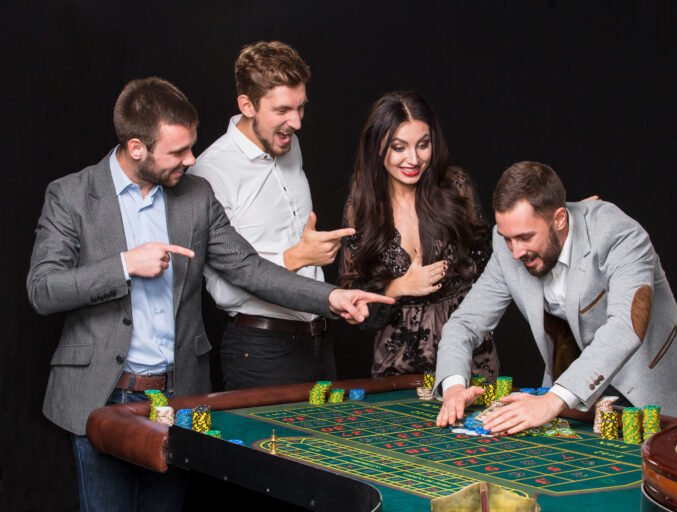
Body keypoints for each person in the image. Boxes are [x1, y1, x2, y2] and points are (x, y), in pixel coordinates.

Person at [26, 77, 392, 512]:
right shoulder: (71, 196)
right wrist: (125, 264)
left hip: (178, 396)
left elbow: (247, 266)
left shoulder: (195, 195)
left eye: (191, 147)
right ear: (137, 148)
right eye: (178, 152)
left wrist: (330, 297)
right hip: (102, 397)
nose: (191, 160)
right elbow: (43, 290)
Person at [435, 161, 677, 435]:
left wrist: (552, 401)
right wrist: (454, 387)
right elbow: (465, 323)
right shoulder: (507, 244)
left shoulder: (617, 234)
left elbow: (627, 326)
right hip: (574, 404)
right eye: (508, 238)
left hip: (650, 390)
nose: (516, 252)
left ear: (559, 219)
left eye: (525, 237)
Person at [188, 41, 353, 390]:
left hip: (319, 339)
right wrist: (296, 257)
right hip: (261, 349)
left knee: (328, 445)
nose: (296, 122)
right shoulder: (210, 173)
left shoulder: (288, 143)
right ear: (247, 105)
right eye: (282, 110)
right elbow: (223, 290)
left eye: (301, 108)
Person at [339, 91, 499, 378]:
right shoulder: (360, 206)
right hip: (397, 361)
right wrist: (398, 287)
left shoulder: (456, 187)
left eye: (423, 145)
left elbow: (494, 269)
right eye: (399, 148)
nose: (413, 159)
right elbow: (354, 306)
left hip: (467, 353)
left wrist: (557, 216)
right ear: (377, 147)